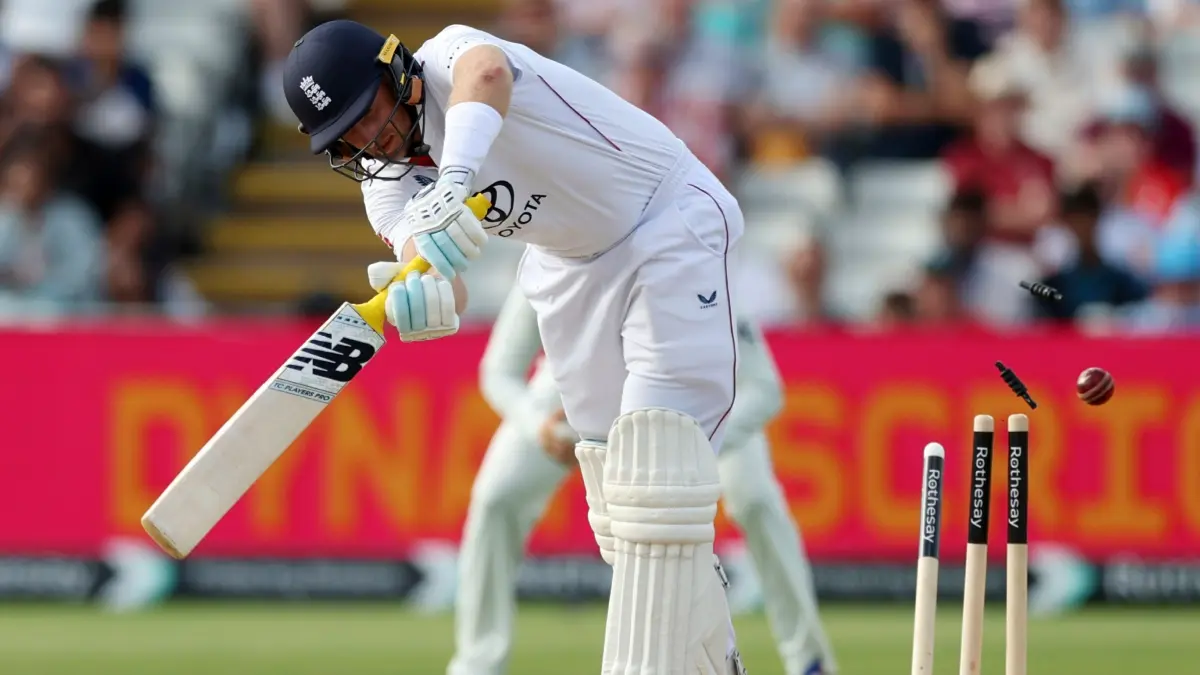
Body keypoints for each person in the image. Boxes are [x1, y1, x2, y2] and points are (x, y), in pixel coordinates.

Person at [282, 19, 747, 674]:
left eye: (367, 115)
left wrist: (455, 179)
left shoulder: (447, 57)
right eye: (347, 138)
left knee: (657, 468)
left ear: (397, 74)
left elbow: (489, 75)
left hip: (664, 218)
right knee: (625, 508)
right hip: (568, 268)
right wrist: (424, 292)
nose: (367, 140)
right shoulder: (386, 187)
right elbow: (439, 268)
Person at [452, 286, 836, 675]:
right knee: (495, 499)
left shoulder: (694, 260)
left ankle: (810, 660)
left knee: (755, 499)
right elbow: (498, 370)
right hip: (571, 395)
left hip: (692, 403)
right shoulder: (550, 254)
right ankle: (477, 663)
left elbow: (764, 389)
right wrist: (538, 428)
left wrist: (689, 445)